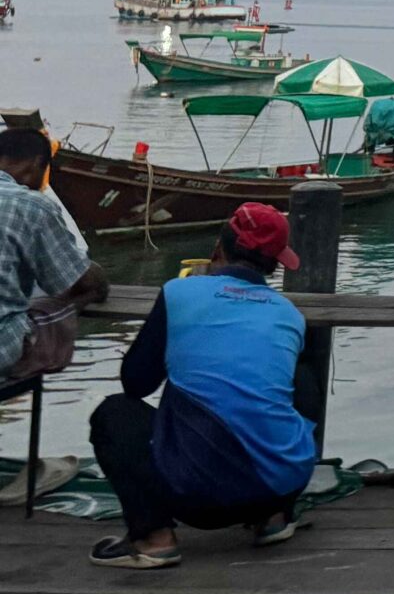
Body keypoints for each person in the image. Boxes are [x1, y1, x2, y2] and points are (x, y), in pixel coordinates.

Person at [88, 201, 316, 571]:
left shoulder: (181, 293)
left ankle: (153, 538)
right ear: (275, 265)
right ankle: (274, 518)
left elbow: (136, 384)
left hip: (199, 500)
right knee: (300, 378)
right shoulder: (289, 315)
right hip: (281, 484)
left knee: (114, 413)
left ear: (217, 249)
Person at [1, 126, 107, 387]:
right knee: (67, 297)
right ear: (38, 163)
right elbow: (78, 281)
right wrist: (99, 282)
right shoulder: (32, 205)